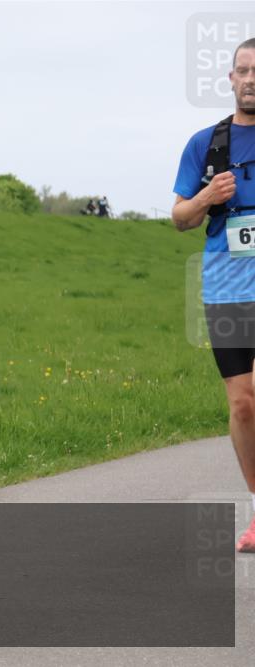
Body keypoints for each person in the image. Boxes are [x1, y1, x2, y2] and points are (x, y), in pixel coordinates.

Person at [172, 38, 255, 552]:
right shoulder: (206, 143)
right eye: (243, 71)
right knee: (244, 406)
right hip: (226, 291)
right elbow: (180, 218)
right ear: (229, 79)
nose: (251, 80)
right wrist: (207, 196)